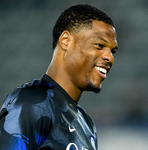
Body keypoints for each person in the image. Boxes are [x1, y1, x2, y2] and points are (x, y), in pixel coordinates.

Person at [0, 4, 118, 150]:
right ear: (66, 41)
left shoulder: (87, 125)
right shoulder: (31, 103)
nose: (109, 57)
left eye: (113, 51)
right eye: (99, 45)